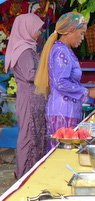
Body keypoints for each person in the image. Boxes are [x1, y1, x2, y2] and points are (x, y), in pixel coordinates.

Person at [34, 12, 95, 150]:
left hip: (67, 110)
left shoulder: (65, 50)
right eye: (82, 33)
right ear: (70, 31)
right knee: (61, 153)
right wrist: (87, 92)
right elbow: (60, 82)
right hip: (62, 112)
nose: (83, 38)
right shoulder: (61, 51)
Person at [4, 13, 47, 179]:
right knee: (28, 135)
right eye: (37, 29)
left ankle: (30, 172)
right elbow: (31, 75)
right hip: (29, 98)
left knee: (32, 134)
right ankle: (24, 174)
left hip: (31, 97)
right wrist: (49, 72)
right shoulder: (24, 50)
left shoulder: (26, 47)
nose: (40, 32)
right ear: (27, 28)